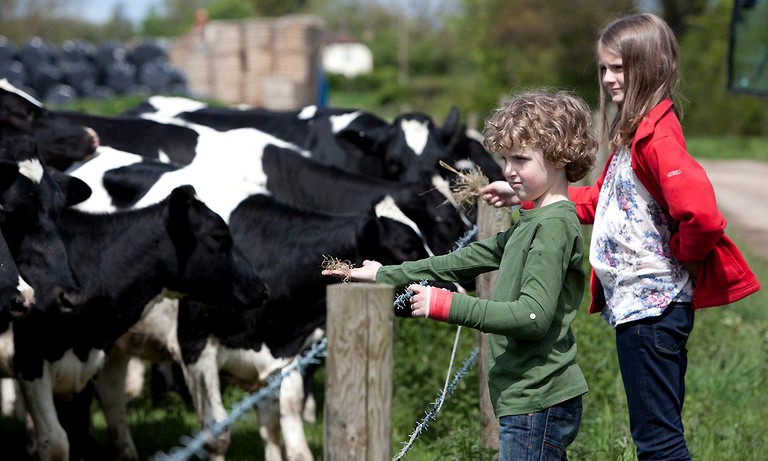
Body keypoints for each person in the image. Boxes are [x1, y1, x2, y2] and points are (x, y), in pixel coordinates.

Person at [481, 13, 761, 461]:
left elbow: (704, 218)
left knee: (658, 440)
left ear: (653, 66)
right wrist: (524, 197)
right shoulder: (634, 134)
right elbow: (603, 203)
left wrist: (681, 257)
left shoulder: (657, 138)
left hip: (653, 308)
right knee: (653, 434)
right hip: (640, 308)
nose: (610, 79)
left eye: (619, 68)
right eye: (604, 68)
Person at [323, 89, 598, 461]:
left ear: (561, 156)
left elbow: (531, 318)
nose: (508, 171)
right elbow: (462, 260)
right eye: (505, 158)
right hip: (529, 397)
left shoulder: (553, 227)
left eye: (520, 159)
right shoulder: (534, 219)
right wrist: (387, 273)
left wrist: (448, 305)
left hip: (537, 401)